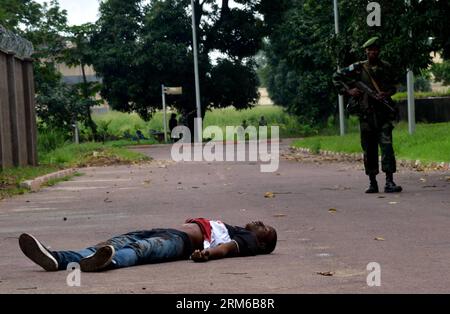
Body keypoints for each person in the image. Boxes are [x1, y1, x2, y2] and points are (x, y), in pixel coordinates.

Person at [19, 219, 277, 272]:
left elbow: (226, 249)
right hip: (166, 231)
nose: (260, 222)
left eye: (265, 228)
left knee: (141, 251)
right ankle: (57, 259)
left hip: (180, 242)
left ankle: (109, 262)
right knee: (110, 243)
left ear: (262, 242)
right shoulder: (240, 229)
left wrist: (206, 254)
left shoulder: (247, 241)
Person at [333, 36, 402, 194]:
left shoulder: (386, 67)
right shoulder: (358, 68)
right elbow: (336, 77)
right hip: (366, 115)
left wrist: (387, 93)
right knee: (369, 149)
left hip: (383, 114)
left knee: (387, 147)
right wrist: (349, 91)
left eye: (376, 50)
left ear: (379, 51)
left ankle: (389, 181)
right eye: (370, 50)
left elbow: (394, 86)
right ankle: (372, 182)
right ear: (366, 51)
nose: (373, 52)